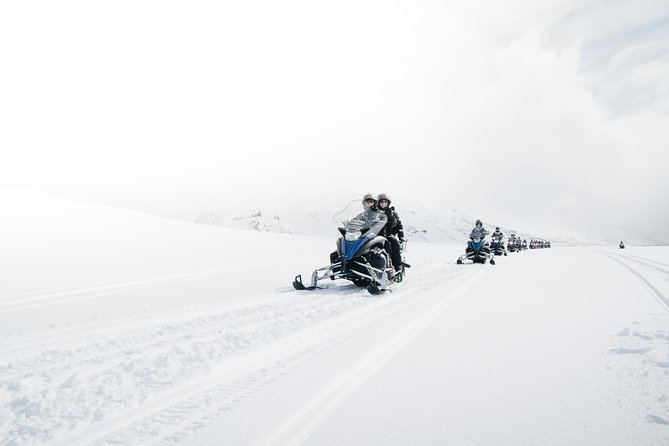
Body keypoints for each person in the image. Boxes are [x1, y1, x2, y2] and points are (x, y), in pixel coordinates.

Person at [376, 193, 405, 272]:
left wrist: (401, 237)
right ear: (378, 203)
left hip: (388, 233)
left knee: (393, 243)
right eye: (381, 202)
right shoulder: (375, 212)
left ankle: (397, 265)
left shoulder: (392, 212)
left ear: (388, 203)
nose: (383, 204)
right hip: (375, 234)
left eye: (385, 202)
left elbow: (398, 224)